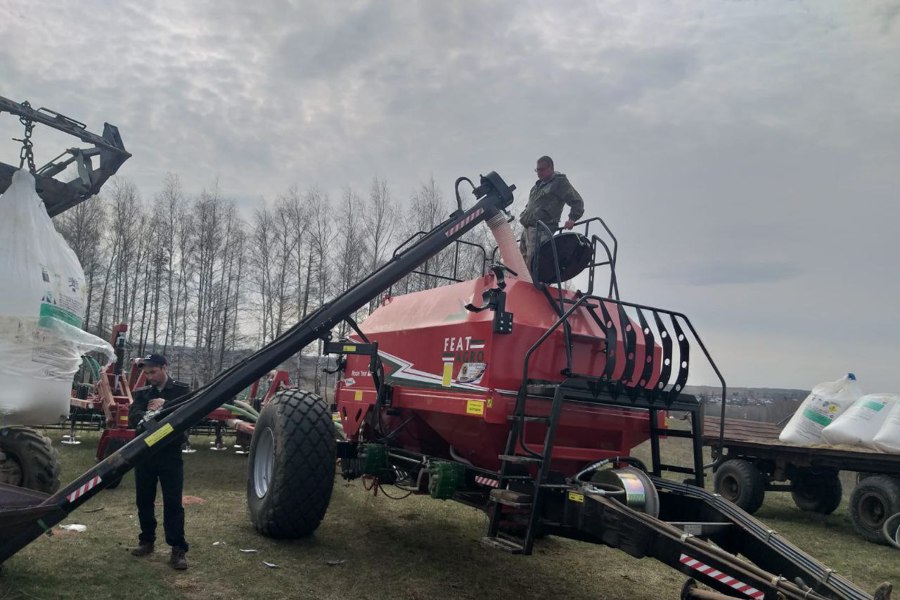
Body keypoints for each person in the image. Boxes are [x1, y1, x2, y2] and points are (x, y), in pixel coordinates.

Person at [127, 353, 192, 570]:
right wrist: (147, 411)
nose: (149, 377)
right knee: (144, 500)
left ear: (165, 367)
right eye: (146, 373)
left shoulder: (181, 391)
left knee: (173, 503)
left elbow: (191, 414)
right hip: (145, 455)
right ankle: (147, 541)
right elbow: (132, 417)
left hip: (170, 455)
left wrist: (167, 405)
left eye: (153, 372)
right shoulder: (144, 394)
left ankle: (178, 548)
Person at [519, 155, 585, 268]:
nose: (538, 173)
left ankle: (535, 284)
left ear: (551, 168)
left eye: (541, 169)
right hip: (527, 229)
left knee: (534, 260)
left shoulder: (559, 182)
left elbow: (577, 202)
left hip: (542, 229)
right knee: (520, 262)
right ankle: (524, 283)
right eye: (537, 170)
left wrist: (572, 219)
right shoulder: (537, 186)